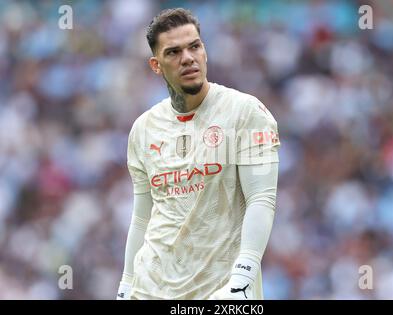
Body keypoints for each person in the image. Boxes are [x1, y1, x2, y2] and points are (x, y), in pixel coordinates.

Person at [117, 8, 280, 300]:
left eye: (194, 46)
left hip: (222, 291)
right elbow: (142, 217)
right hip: (151, 289)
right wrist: (126, 284)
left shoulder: (244, 112)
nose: (188, 58)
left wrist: (243, 277)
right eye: (174, 52)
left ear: (204, 50)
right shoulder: (143, 129)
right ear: (156, 65)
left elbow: (261, 199)